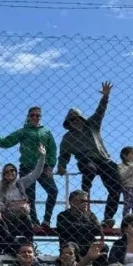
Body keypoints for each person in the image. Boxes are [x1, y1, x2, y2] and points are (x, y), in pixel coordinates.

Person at [56, 82, 121, 227]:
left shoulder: (92, 125)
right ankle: (85, 192)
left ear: (81, 118)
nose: (75, 121)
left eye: (77, 118)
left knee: (116, 187)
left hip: (103, 159)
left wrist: (105, 97)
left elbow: (100, 111)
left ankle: (108, 218)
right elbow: (64, 154)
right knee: (90, 168)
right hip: (86, 159)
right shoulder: (68, 138)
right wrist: (61, 166)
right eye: (72, 120)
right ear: (68, 122)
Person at [0, 107, 58, 227]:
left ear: (41, 117)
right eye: (32, 115)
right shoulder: (23, 131)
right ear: (28, 117)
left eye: (38, 115)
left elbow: (52, 149)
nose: (35, 117)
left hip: (43, 166)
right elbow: (7, 141)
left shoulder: (46, 132)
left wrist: (51, 165)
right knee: (30, 195)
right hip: (27, 166)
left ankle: (47, 219)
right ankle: (34, 222)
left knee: (53, 190)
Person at [0, 150, 47, 248]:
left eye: (12, 170)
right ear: (3, 174)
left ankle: (29, 246)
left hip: (22, 214)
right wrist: (10, 206)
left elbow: (36, 173)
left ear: (16, 172)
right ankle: (11, 248)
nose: (9, 173)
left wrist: (42, 156)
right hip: (7, 214)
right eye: (6, 172)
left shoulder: (20, 183)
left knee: (27, 221)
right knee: (11, 225)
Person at [56, 190, 104, 262]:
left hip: (88, 245)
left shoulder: (90, 215)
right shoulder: (63, 215)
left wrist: (84, 218)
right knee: (71, 247)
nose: (86, 203)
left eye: (87, 201)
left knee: (103, 247)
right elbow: (69, 230)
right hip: (71, 245)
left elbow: (98, 229)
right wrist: (88, 228)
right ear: (73, 202)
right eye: (83, 201)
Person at [118, 146, 133, 216]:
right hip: (128, 187)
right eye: (132, 153)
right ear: (124, 155)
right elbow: (122, 177)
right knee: (127, 205)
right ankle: (126, 220)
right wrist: (131, 169)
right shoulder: (120, 166)